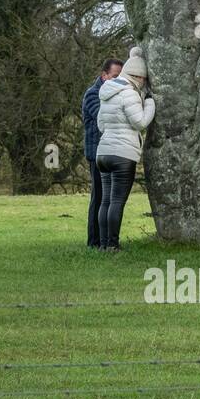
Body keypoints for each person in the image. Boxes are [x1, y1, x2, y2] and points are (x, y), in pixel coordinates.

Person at [94, 46, 155, 251]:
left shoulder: (107, 92)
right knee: (117, 201)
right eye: (143, 80)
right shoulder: (129, 93)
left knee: (105, 201)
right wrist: (149, 104)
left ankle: (103, 245)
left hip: (103, 153)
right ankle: (113, 245)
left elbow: (101, 124)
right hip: (123, 155)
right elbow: (140, 122)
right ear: (139, 77)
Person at [82, 57, 123, 248]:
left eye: (120, 77)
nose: (117, 80)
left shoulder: (112, 94)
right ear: (104, 75)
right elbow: (104, 119)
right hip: (97, 154)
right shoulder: (93, 94)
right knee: (98, 198)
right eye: (114, 76)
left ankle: (107, 241)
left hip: (110, 152)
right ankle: (94, 242)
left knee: (110, 199)